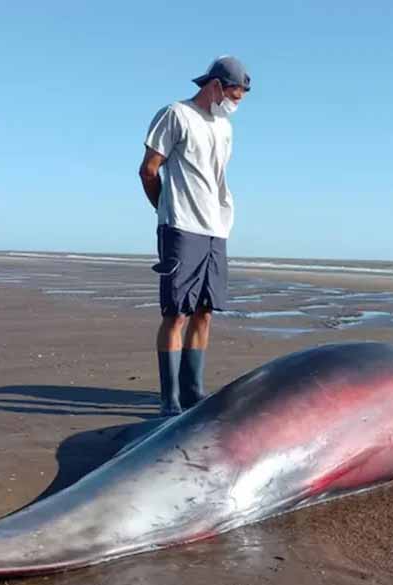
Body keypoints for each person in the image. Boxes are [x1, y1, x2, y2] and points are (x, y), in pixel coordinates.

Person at [138, 56, 251, 417]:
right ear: (215, 85)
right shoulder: (176, 115)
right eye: (233, 95)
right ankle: (169, 399)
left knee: (205, 312)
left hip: (216, 229)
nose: (235, 104)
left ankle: (193, 392)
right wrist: (166, 210)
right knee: (177, 313)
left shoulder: (225, 127)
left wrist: (221, 218)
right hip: (181, 227)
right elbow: (148, 170)